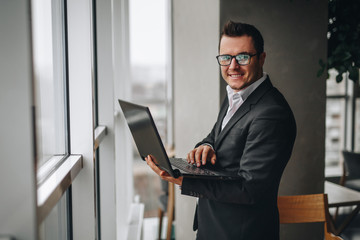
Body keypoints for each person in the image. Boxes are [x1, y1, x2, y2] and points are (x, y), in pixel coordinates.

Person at [145, 20, 296, 240]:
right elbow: (216, 135)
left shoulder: (271, 113)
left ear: (261, 58)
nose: (232, 66)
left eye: (243, 57)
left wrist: (183, 180)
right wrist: (206, 146)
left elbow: (249, 189)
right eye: (226, 58)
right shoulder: (237, 95)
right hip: (214, 227)